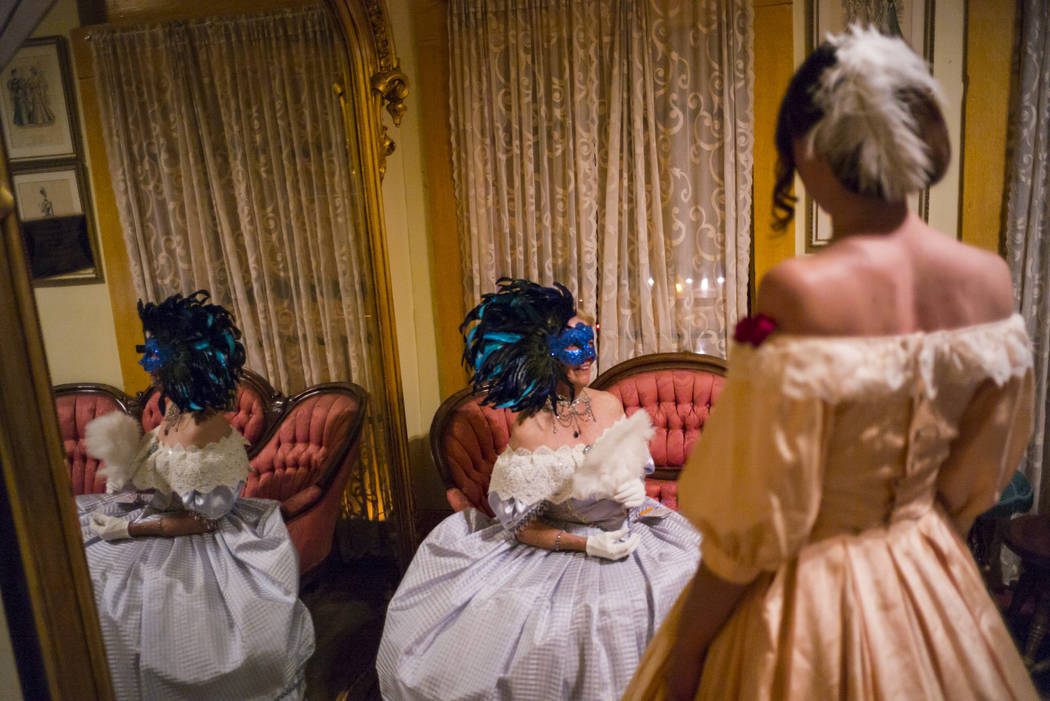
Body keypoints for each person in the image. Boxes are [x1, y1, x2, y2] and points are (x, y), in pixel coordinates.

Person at [624, 25, 1039, 701]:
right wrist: (921, 548)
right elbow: (976, 473)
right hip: (928, 565)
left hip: (804, 598)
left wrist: (689, 651)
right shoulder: (989, 280)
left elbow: (751, 516)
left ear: (808, 145)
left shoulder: (798, 291)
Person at [377, 278, 701, 700]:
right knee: (572, 622)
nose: (587, 357)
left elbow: (629, 478)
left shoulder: (609, 404)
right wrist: (585, 547)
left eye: (591, 341)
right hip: (555, 548)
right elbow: (521, 529)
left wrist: (629, 494)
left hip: (630, 534)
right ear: (545, 353)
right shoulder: (529, 428)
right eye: (572, 345)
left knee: (687, 578)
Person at [80, 290, 315, 701]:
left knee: (133, 607)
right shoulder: (173, 410)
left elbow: (205, 520)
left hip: (202, 541)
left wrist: (131, 530)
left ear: (182, 364)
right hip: (158, 514)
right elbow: (160, 467)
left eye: (154, 354)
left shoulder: (203, 432)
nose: (145, 364)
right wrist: (127, 470)